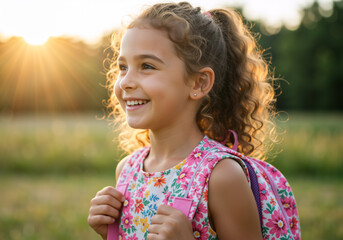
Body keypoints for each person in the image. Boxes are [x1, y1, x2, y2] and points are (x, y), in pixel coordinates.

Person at [88, 2, 279, 239]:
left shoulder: (221, 176)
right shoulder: (127, 170)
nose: (126, 81)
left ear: (198, 83)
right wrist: (113, 231)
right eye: (123, 67)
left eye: (147, 66)